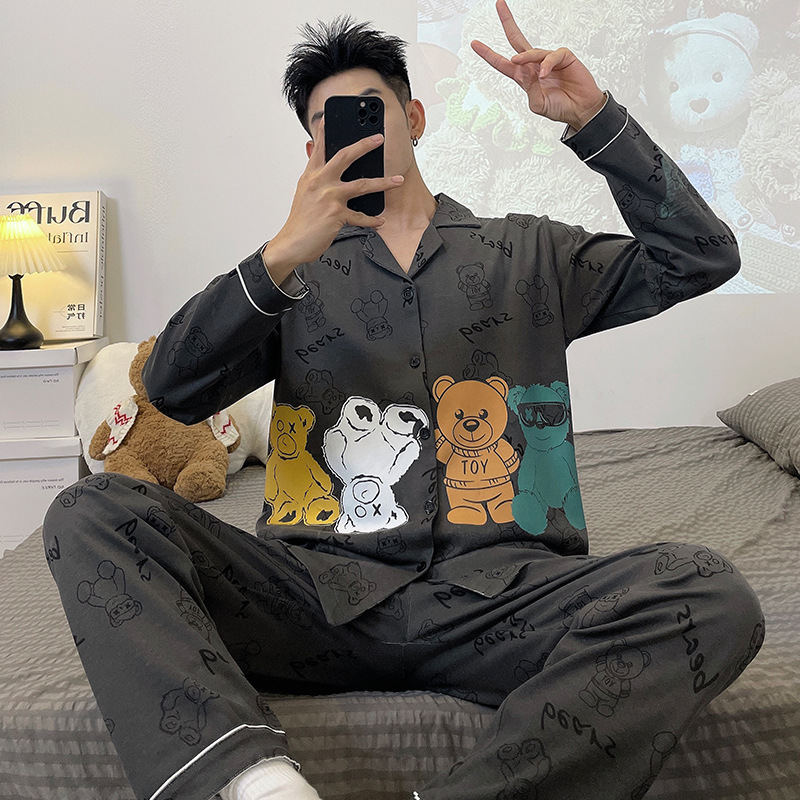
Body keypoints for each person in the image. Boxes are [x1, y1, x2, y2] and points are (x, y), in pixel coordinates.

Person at [42, 3, 765, 800]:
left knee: (707, 592)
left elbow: (701, 257)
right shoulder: (291, 275)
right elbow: (168, 388)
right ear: (311, 151)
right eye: (329, 126)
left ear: (414, 119)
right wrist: (281, 254)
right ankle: (259, 786)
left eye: (369, 112)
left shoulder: (528, 252)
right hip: (318, 601)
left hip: (501, 605)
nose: (351, 136)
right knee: (92, 509)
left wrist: (594, 120)